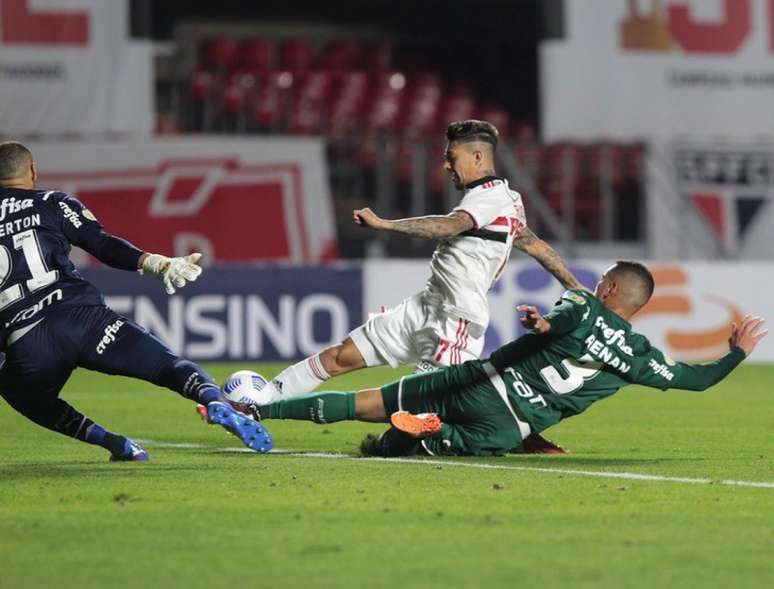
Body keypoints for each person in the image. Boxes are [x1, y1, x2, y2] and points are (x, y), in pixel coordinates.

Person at [269, 119, 583, 453]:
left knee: (408, 415)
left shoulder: (491, 198)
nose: (446, 164)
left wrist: (386, 224)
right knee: (338, 357)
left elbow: (450, 227)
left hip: (454, 320)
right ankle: (259, 401)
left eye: (452, 156)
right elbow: (536, 246)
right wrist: (578, 289)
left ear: (478, 157)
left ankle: (517, 435)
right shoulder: (501, 202)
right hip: (425, 307)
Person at [243, 261, 767, 457]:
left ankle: (258, 410)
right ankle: (431, 435)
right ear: (637, 304)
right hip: (507, 419)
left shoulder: (581, 303)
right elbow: (695, 381)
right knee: (417, 448)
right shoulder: (637, 355)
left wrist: (543, 324)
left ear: (607, 286)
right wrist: (736, 354)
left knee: (365, 402)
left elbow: (561, 320)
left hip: (478, 377)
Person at [0, 141, 271, 461]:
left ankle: (116, 444)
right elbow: (100, 244)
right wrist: (154, 263)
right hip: (83, 320)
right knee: (168, 365)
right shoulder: (51, 202)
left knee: (22, 394)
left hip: (28, 342)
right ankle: (213, 399)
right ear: (32, 171)